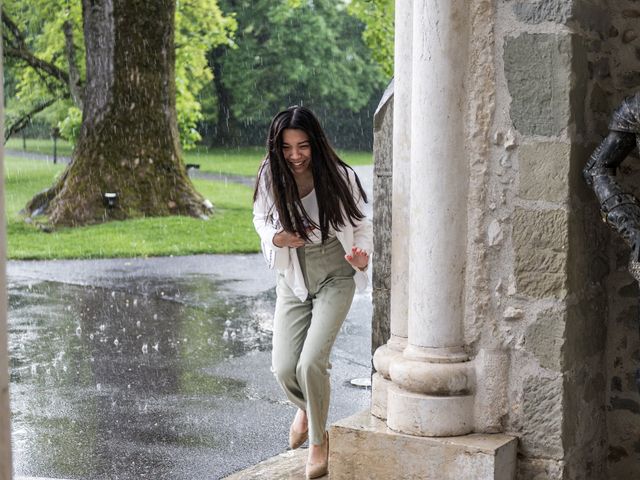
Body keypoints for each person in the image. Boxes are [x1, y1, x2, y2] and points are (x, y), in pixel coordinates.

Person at [253, 106, 373, 478]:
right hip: (293, 273)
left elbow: (361, 222)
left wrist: (362, 257)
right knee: (284, 368)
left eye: (303, 146)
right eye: (287, 147)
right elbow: (259, 218)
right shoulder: (270, 176)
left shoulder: (340, 177)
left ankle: (319, 442)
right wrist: (276, 237)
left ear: (315, 144)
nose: (295, 156)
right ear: (277, 148)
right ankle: (308, 406)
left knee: (310, 364)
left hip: (336, 271)